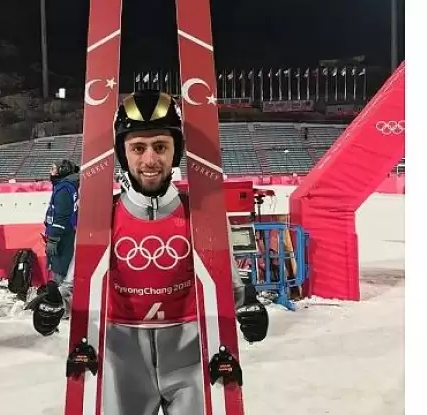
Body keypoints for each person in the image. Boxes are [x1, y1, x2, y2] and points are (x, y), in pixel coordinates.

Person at [29, 89, 269, 415]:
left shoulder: (203, 216)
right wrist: (55, 305)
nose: (150, 160)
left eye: (160, 147)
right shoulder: (103, 216)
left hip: (191, 359)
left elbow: (227, 287)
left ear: (175, 151)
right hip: (121, 360)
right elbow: (77, 288)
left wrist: (250, 311)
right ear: (123, 153)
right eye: (138, 148)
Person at [43, 159, 80, 285]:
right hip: (65, 232)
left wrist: (53, 238)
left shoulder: (64, 188)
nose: (50, 171)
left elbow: (61, 215)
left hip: (62, 235)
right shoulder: (65, 185)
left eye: (53, 169)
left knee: (59, 266)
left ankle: (58, 290)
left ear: (62, 170)